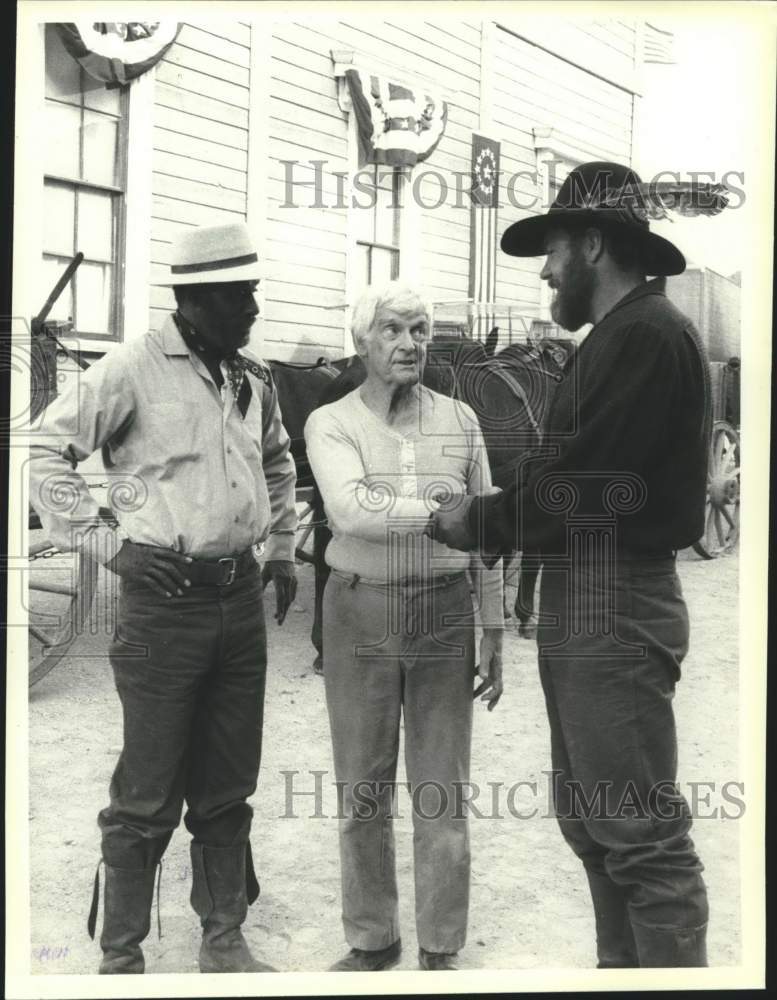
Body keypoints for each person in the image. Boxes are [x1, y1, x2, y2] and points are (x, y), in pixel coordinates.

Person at [429, 162, 711, 968]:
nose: (546, 271)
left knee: (640, 837)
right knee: (593, 823)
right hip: (590, 599)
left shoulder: (645, 337)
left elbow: (583, 486)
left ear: (592, 244)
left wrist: (476, 518)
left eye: (551, 250)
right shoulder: (617, 339)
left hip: (615, 602)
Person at [29, 222, 298, 974]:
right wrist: (112, 546)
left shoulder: (250, 378)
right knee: (146, 793)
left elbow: (277, 462)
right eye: (238, 293)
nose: (251, 306)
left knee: (227, 786)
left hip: (238, 602)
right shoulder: (131, 370)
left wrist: (279, 549)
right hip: (164, 608)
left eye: (251, 290)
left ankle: (223, 939)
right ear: (195, 299)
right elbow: (45, 454)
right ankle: (122, 959)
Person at [304, 283, 504, 972]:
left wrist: (495, 628)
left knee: (441, 790)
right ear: (363, 341)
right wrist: (439, 514)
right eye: (392, 329)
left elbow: (488, 528)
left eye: (419, 329)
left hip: (445, 612)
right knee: (362, 787)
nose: (409, 343)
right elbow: (353, 510)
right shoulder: (330, 424)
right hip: (359, 610)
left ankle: (440, 944)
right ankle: (371, 937)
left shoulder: (460, 419)